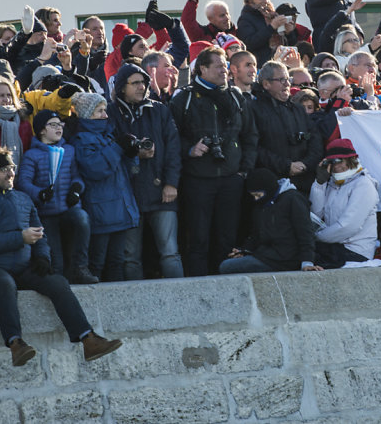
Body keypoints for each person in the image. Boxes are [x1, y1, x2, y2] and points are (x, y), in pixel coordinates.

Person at [0, 149, 122, 366]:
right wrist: (20, 238)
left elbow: (40, 234)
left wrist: (43, 257)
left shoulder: (23, 198)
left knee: (57, 282)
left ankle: (88, 339)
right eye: (4, 170)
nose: (10, 174)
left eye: (12, 168)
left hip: (23, 265)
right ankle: (16, 344)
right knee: (5, 284)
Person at [171, 46, 258, 276]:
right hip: (198, 180)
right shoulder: (184, 99)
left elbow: (250, 136)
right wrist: (190, 149)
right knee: (198, 239)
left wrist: (244, 171)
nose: (225, 70)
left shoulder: (235, 96)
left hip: (231, 179)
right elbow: (170, 137)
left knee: (227, 239)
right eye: (219, 66)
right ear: (203, 68)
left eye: (225, 65)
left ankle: (226, 284)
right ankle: (199, 287)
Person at [106, 64, 183, 280]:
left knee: (170, 253)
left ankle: (181, 302)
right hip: (127, 194)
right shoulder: (110, 113)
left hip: (162, 191)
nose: (142, 87)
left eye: (144, 82)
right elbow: (106, 151)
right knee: (130, 256)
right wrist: (133, 154)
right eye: (136, 83)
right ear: (122, 87)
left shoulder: (159, 110)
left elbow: (174, 149)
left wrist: (172, 183)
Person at [18, 110, 97, 284]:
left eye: (60, 124)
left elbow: (77, 175)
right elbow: (23, 183)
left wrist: (76, 189)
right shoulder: (32, 155)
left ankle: (81, 267)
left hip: (68, 208)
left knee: (82, 218)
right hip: (46, 215)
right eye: (52, 124)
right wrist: (40, 193)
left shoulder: (68, 150)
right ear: (41, 130)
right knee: (57, 263)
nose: (58, 128)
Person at [69, 93, 140, 282]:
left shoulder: (108, 135)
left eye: (104, 110)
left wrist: (132, 153)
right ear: (87, 114)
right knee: (97, 262)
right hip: (101, 210)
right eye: (99, 111)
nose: (105, 115)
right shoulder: (81, 140)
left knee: (117, 261)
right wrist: (118, 147)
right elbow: (95, 169)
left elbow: (129, 170)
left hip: (118, 208)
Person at [219, 168, 321, 274]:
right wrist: (244, 251)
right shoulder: (261, 205)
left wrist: (307, 262)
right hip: (266, 255)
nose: (256, 199)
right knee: (229, 263)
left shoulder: (292, 199)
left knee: (226, 267)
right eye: (254, 196)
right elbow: (255, 235)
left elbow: (305, 232)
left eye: (258, 195)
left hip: (285, 259)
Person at [250, 61, 323, 195]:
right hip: (274, 185)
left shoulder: (298, 110)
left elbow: (315, 140)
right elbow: (254, 147)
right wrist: (286, 166)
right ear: (266, 84)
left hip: (305, 181)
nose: (287, 84)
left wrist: (305, 164)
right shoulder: (254, 110)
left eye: (288, 79)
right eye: (282, 80)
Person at [309, 139, 379, 268]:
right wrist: (320, 183)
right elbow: (317, 213)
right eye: (331, 162)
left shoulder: (363, 184)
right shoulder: (333, 184)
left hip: (355, 251)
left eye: (339, 160)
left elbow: (348, 226)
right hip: (333, 246)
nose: (335, 166)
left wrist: (316, 237)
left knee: (306, 254)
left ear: (350, 160)